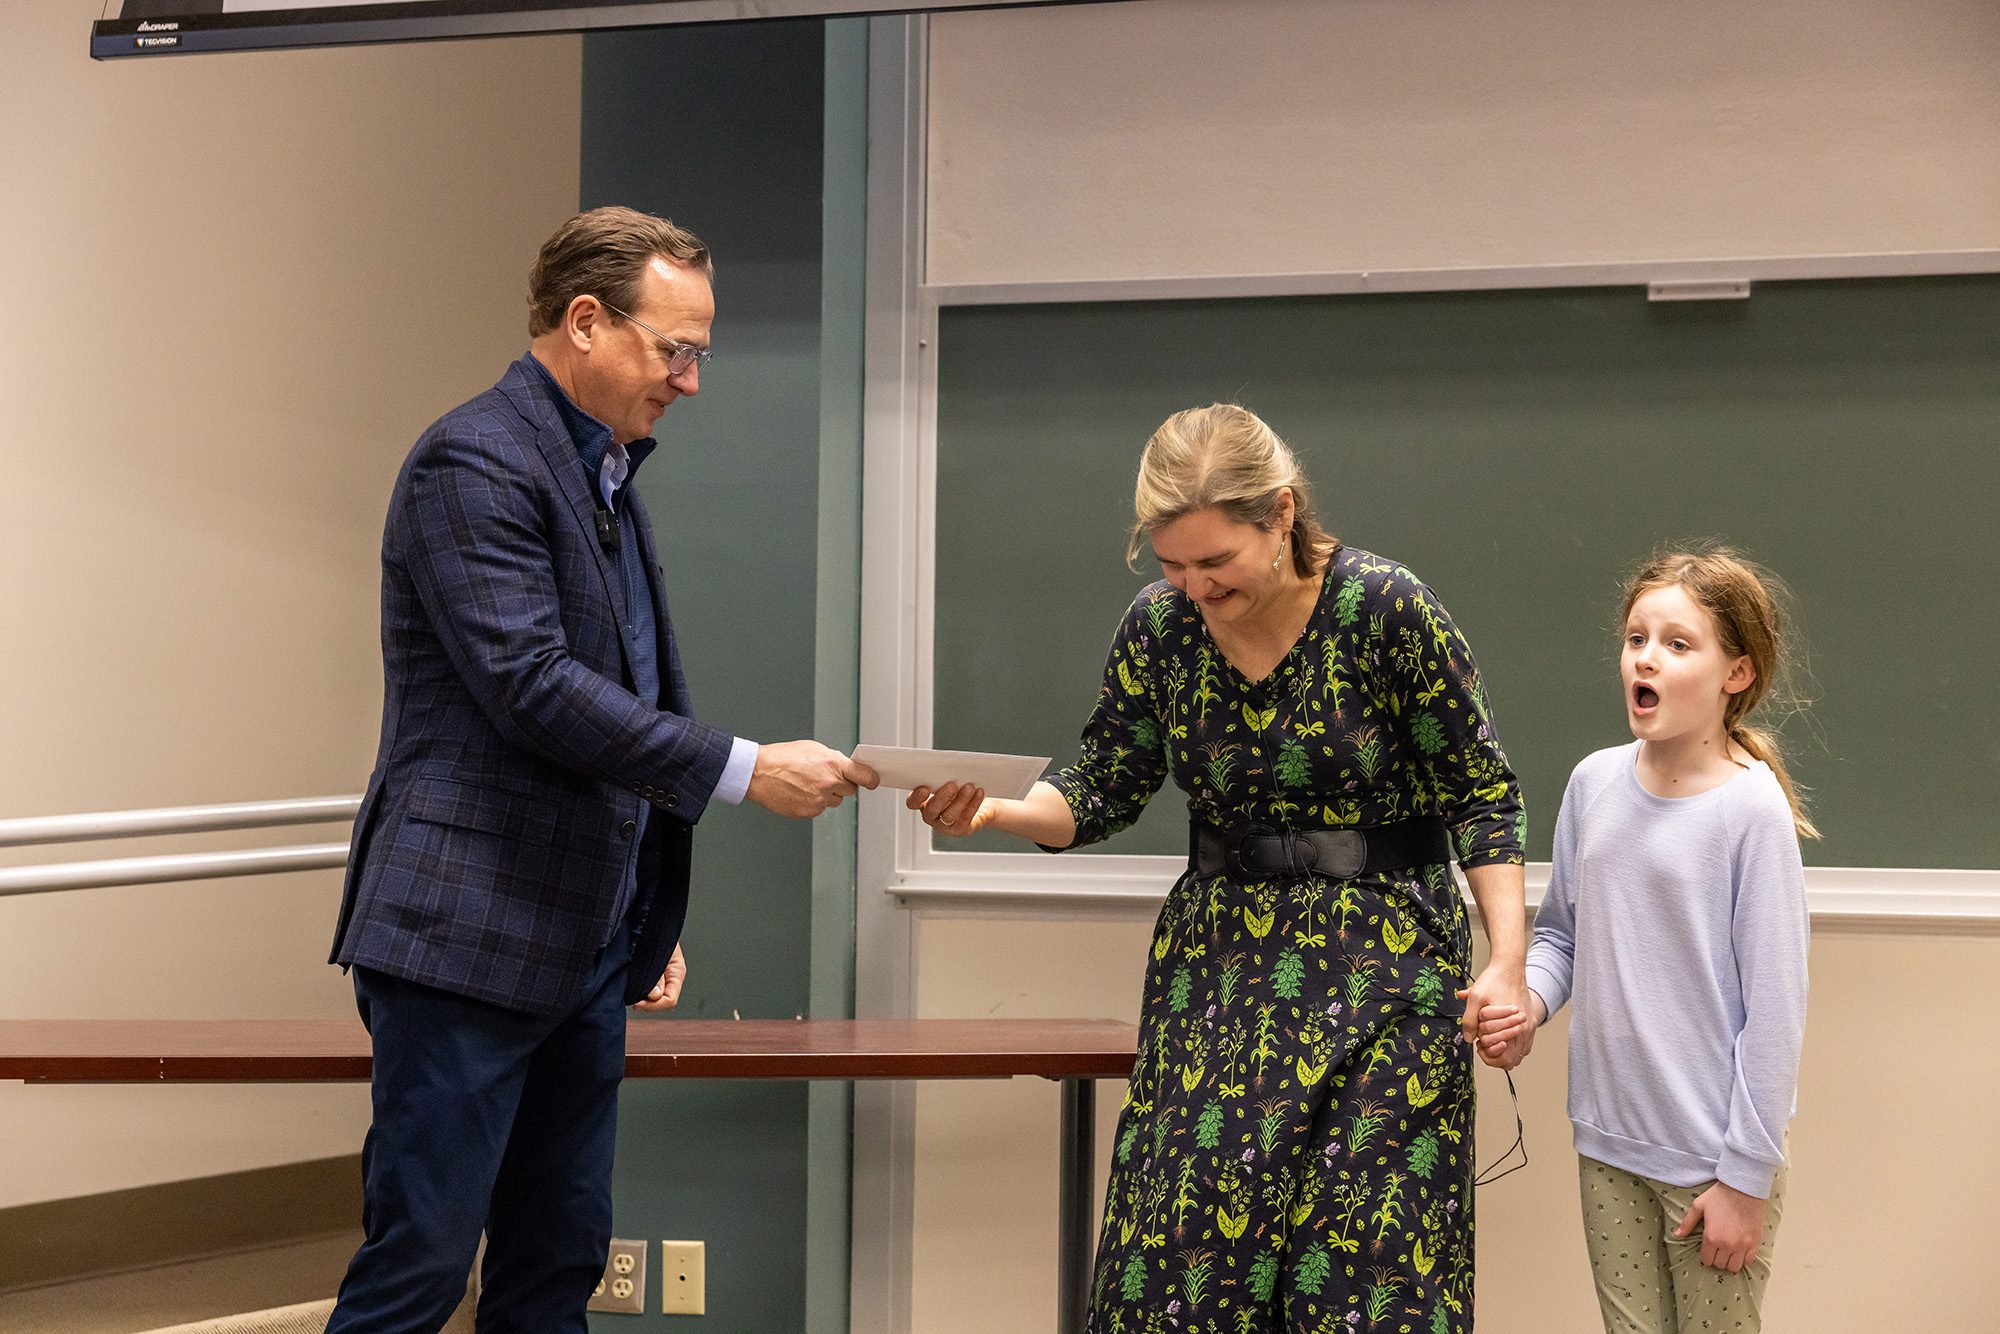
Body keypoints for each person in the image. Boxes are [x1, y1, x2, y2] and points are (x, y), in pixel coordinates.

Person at [323, 206, 876, 1334]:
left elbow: (610, 707)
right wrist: (738, 765)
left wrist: (630, 909)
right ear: (585, 321)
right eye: (677, 350)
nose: (690, 381)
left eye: (698, 352)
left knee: (555, 1265)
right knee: (422, 1268)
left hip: (574, 948)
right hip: (462, 948)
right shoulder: (473, 458)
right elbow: (530, 686)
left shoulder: (602, 472)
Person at [910, 404, 1527, 1333]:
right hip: (1221, 974)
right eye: (1172, 564)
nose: (1194, 587)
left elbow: (1481, 794)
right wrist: (994, 809)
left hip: (1387, 960)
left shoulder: (1386, 609)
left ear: (1282, 515)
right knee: (1184, 1264)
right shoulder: (1160, 628)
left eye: (1216, 562)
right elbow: (1102, 787)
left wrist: (1506, 959)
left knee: (1366, 1269)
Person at [1477, 546, 1812, 1334]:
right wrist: (1527, 1003)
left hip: (1712, 1166)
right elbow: (1562, 934)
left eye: (1677, 644)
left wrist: (1746, 1178)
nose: (1646, 659)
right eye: (1636, 639)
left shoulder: (1751, 815)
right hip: (1608, 1145)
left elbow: (1776, 1014)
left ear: (1737, 673)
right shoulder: (1594, 784)